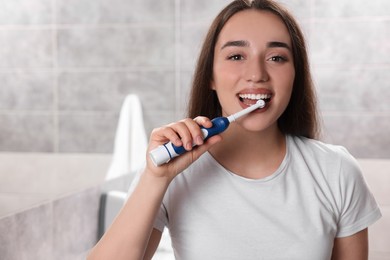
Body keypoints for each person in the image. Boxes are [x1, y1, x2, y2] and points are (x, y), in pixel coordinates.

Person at [88, 0, 381, 259]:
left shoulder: (336, 171)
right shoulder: (174, 172)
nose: (256, 74)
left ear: (296, 75)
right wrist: (155, 179)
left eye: (277, 57)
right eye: (236, 56)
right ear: (211, 77)